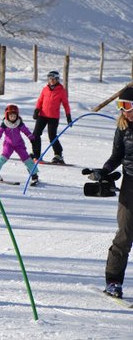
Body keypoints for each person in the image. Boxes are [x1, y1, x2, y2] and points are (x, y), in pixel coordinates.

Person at [86, 87, 133, 298]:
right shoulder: (123, 127)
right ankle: (113, 281)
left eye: (128, 106)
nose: (124, 111)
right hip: (130, 184)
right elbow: (117, 155)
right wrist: (104, 171)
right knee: (124, 234)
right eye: (120, 106)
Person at [0, 104, 39, 184]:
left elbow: (26, 131)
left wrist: (32, 139)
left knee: (26, 158)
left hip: (19, 144)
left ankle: (34, 174)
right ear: (7, 115)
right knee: (3, 157)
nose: (13, 118)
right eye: (11, 116)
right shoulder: (4, 124)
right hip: (8, 144)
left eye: (14, 116)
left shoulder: (19, 124)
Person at [31, 70, 72, 164]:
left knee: (52, 136)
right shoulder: (45, 89)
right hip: (42, 115)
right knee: (35, 134)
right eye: (50, 79)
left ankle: (58, 155)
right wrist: (37, 110)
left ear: (57, 79)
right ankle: (36, 155)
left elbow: (66, 104)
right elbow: (40, 100)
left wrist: (68, 116)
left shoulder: (61, 90)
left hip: (53, 117)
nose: (51, 81)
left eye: (53, 79)